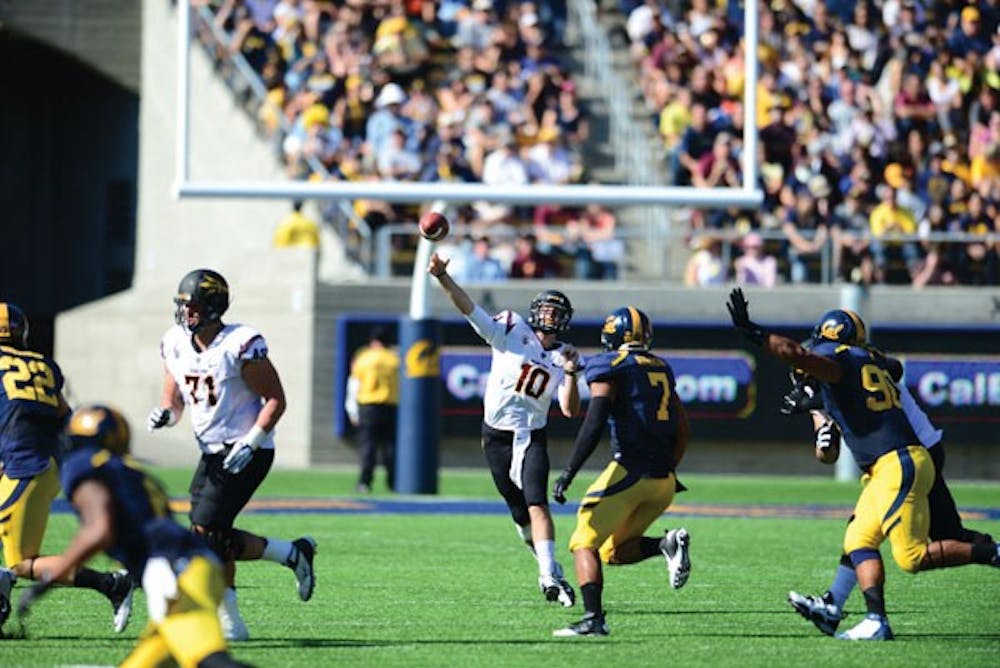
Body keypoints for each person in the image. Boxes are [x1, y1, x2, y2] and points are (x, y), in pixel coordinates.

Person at [726, 289, 1000, 640]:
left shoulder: (838, 361)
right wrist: (816, 404)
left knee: (912, 556)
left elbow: (800, 356)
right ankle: (867, 618)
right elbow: (870, 379)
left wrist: (755, 333)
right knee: (858, 538)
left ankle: (993, 552)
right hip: (890, 464)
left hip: (900, 460)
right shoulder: (867, 360)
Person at [146, 269, 316, 641]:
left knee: (205, 530)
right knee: (212, 536)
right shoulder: (175, 342)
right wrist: (167, 414)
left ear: (212, 307)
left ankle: (229, 621)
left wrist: (251, 441)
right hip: (210, 452)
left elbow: (276, 400)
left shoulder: (239, 343)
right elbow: (174, 399)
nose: (185, 314)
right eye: (183, 307)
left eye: (192, 307)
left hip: (248, 450)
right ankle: (292, 553)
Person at [780, 344, 995, 636]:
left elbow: (885, 373)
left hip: (912, 456)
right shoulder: (843, 377)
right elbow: (827, 452)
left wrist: (813, 401)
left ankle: (993, 552)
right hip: (895, 462)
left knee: (921, 550)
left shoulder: (861, 369)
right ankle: (840, 606)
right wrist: (820, 420)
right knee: (861, 531)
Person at [18, 405, 251, 667]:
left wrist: (50, 578)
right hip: (193, 565)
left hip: (174, 570)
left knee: (211, 662)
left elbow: (99, 529)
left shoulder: (84, 464)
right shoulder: (133, 472)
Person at [428, 252, 580, 607]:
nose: (550, 318)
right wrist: (442, 278)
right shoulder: (511, 329)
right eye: (547, 310)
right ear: (534, 311)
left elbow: (571, 410)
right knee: (520, 516)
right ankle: (550, 567)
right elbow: (469, 309)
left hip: (531, 435)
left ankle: (546, 577)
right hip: (495, 436)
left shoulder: (565, 358)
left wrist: (572, 372)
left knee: (537, 504)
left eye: (558, 313)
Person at [550, 307, 692, 637]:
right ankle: (665, 545)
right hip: (664, 482)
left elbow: (595, 419)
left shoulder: (609, 365)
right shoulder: (661, 366)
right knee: (613, 551)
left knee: (582, 542)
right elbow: (683, 424)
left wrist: (569, 471)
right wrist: (671, 467)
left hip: (630, 471)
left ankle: (593, 619)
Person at [0, 303, 133, 635]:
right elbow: (65, 416)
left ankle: (110, 584)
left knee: (21, 562)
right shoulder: (44, 364)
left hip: (24, 466)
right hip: (44, 463)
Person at [344, 326, 400, 493]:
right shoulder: (395, 359)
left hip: (368, 407)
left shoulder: (364, 357)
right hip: (390, 406)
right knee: (390, 448)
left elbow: (354, 385)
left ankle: (364, 482)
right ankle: (394, 482)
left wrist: (352, 410)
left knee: (368, 447)